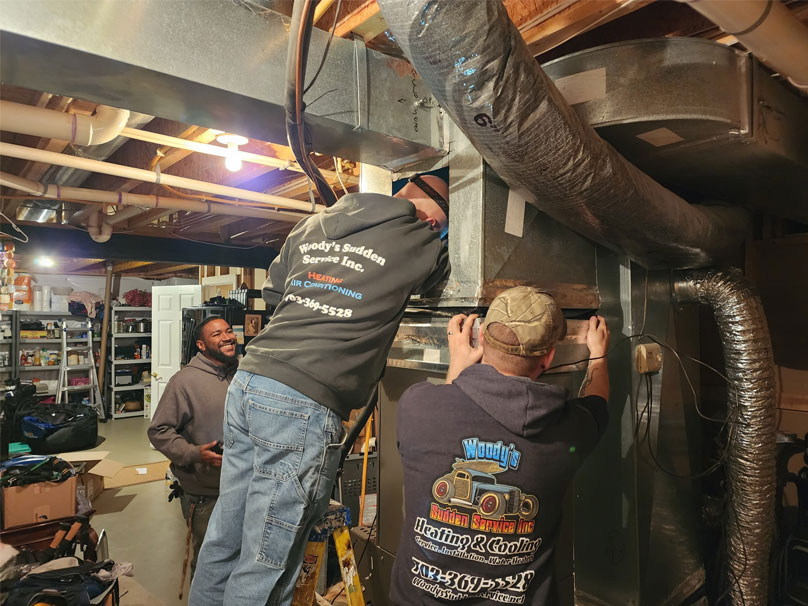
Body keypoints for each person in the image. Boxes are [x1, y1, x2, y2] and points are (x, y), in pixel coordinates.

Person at [190, 175, 451, 605]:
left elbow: (275, 290)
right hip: (301, 403)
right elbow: (439, 285)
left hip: (251, 382)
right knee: (267, 561)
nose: (437, 233)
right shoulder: (421, 238)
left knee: (226, 538)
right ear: (432, 215)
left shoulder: (316, 222)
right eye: (440, 226)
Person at [391, 286, 610, 605]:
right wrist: (599, 355)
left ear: (481, 340)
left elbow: (450, 414)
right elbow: (598, 401)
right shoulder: (569, 431)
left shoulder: (417, 405)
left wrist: (458, 368)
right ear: (548, 356)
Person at [147, 316, 238, 578]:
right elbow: (159, 431)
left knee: (241, 558)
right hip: (206, 492)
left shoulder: (242, 375)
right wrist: (194, 453)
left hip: (243, 486)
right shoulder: (184, 381)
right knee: (210, 562)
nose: (227, 337)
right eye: (217, 334)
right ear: (201, 345)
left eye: (229, 331)